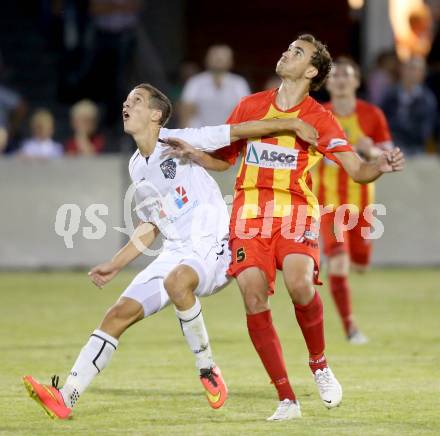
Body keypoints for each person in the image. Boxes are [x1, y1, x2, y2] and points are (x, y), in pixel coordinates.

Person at [22, 83, 319, 420]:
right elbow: (151, 224)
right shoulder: (137, 164)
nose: (126, 104)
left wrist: (291, 124)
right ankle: (66, 397)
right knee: (118, 313)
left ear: (156, 115)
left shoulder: (181, 139)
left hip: (215, 245)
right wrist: (115, 265)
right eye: (126, 99)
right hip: (176, 251)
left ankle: (207, 369)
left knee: (177, 282)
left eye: (136, 100)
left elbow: (241, 129)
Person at [165, 34, 404, 421]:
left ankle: (320, 364)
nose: (285, 53)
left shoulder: (319, 118)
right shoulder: (250, 105)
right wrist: (195, 153)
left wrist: (381, 166)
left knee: (299, 284)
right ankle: (287, 399)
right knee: (253, 295)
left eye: (297, 52)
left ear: (311, 71)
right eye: (288, 48)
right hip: (249, 215)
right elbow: (226, 160)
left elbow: (358, 170)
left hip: (294, 212)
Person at [313, 57, 394, 343]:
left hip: (363, 206)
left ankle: (348, 267)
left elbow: (388, 155)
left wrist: (369, 150)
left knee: (360, 265)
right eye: (335, 76)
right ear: (327, 82)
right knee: (339, 262)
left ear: (357, 81)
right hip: (328, 205)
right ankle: (351, 328)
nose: (341, 80)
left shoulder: (372, 115)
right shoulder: (318, 114)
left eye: (347, 74)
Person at [178, 45, 250, 127]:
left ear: (231, 62)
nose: (218, 59)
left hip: (229, 135)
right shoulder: (195, 82)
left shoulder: (239, 83)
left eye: (223, 56)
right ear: (206, 59)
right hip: (199, 135)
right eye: (214, 55)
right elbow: (186, 111)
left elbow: (246, 112)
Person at [381, 56, 437, 155]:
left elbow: (425, 131)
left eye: (419, 70)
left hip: (415, 150)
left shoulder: (427, 99)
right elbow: (381, 121)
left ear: (423, 74)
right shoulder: (389, 94)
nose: (414, 73)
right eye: (411, 68)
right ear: (402, 70)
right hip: (390, 149)